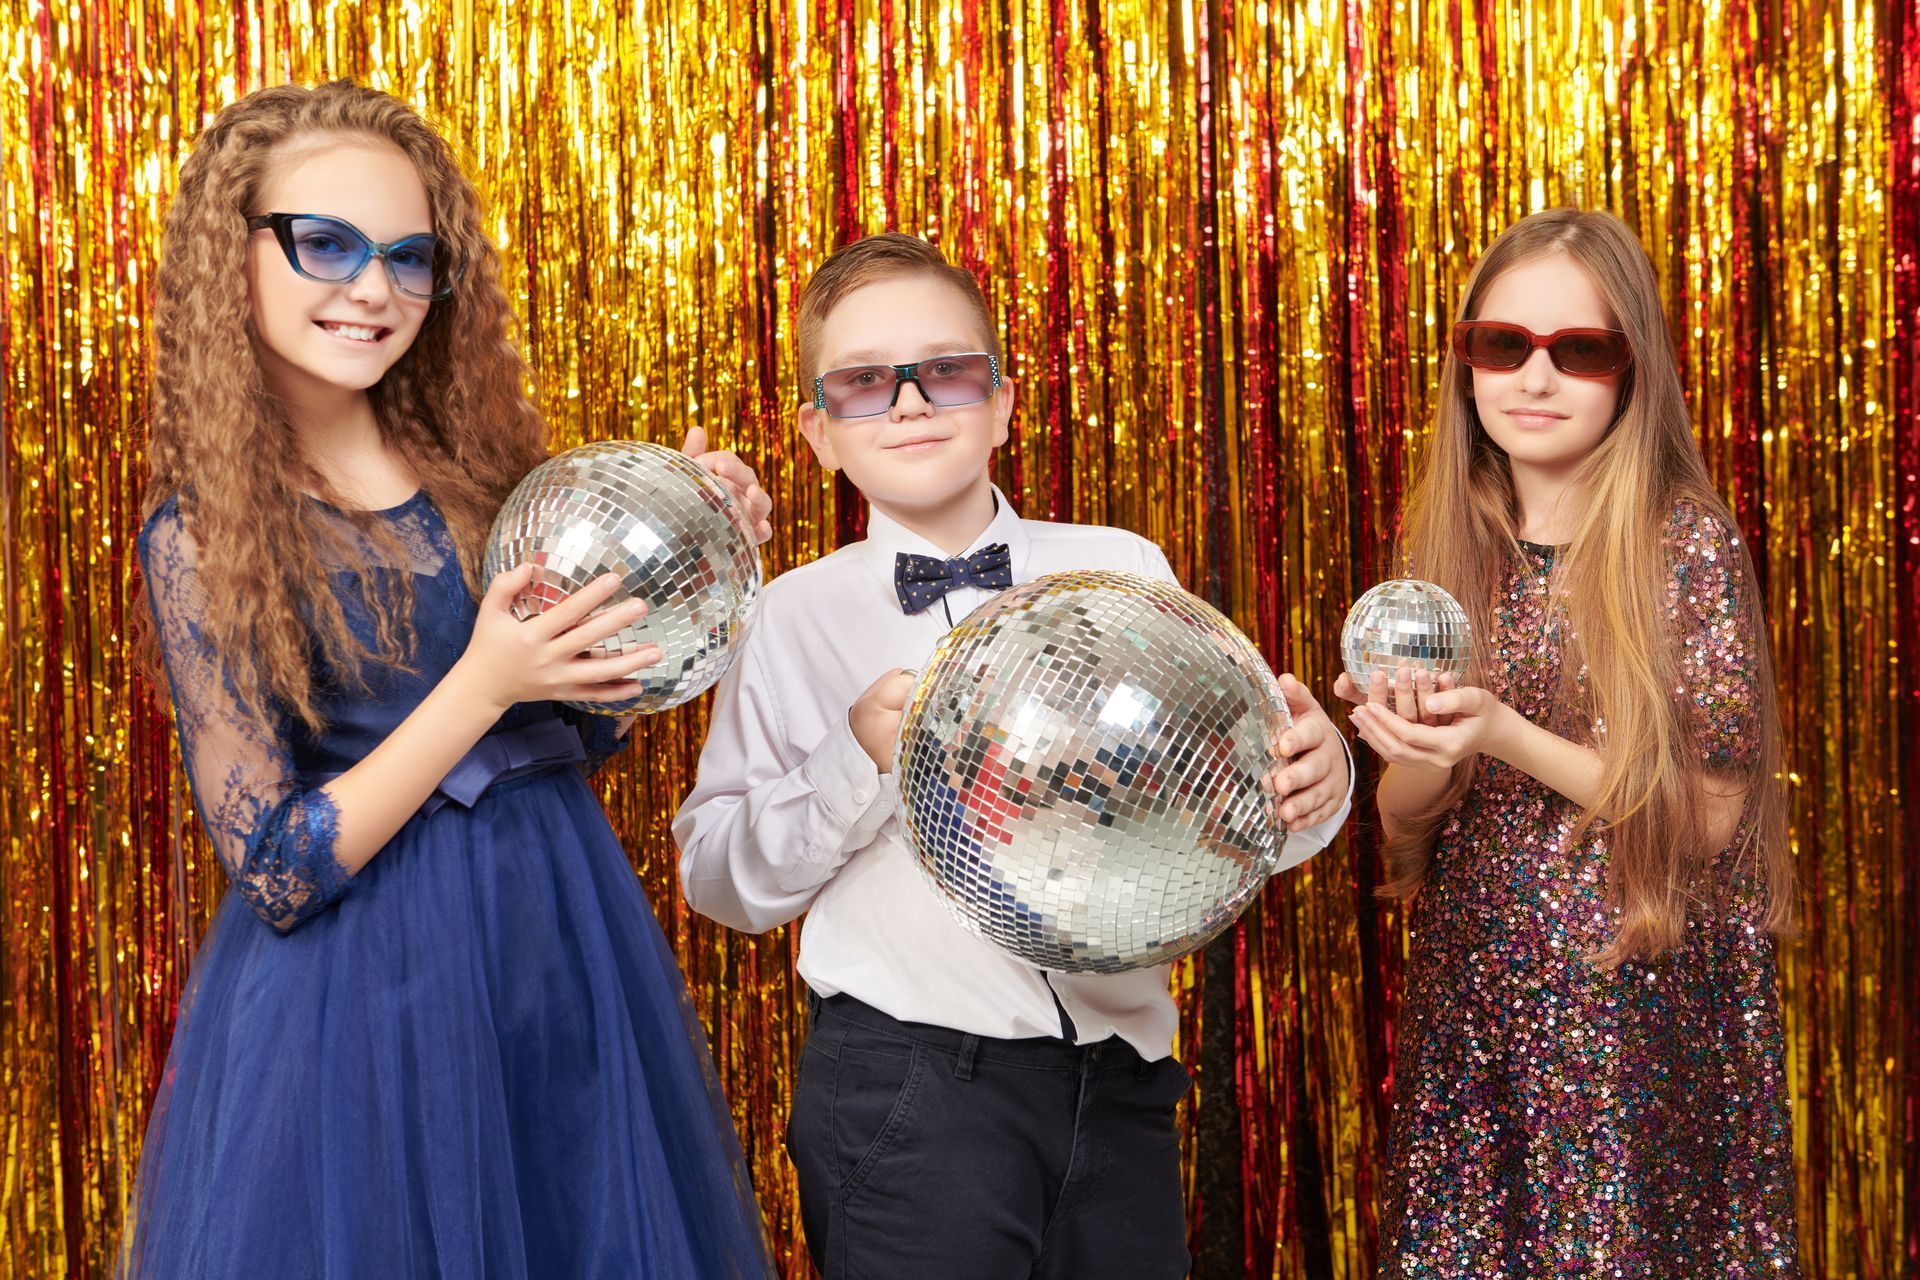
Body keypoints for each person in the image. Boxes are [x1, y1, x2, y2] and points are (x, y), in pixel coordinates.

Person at [119, 80, 776, 1279]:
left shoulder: (479, 476)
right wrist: (481, 680)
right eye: (326, 243)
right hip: (368, 993)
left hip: (557, 934)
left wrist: (695, 548)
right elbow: (276, 863)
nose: (372, 288)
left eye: (408, 257)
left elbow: (579, 730)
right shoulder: (201, 535)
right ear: (236, 252)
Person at [672, 231, 1353, 1279]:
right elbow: (719, 880)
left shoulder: (1120, 568)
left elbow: (1238, 805)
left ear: (1002, 403)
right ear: (817, 432)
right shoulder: (790, 614)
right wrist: (857, 761)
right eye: (864, 382)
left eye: (943, 370)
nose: (907, 403)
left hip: (1120, 1081)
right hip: (911, 1081)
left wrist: (1319, 785)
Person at [1337, 208, 1797, 1275]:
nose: (1534, 379)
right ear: (1466, 364)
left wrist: (1502, 728)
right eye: (1503, 346)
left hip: (1636, 1015)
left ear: (1629, 369)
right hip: (1479, 1011)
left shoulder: (1682, 538)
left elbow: (1707, 818)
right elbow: (1404, 825)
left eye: (1576, 351)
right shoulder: (1451, 542)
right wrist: (1428, 745)